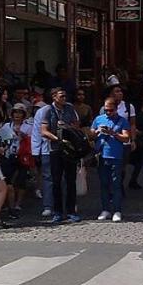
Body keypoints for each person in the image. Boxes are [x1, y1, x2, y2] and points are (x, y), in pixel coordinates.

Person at [40, 87, 84, 224]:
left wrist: (68, 129)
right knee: (56, 181)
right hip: (55, 150)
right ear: (54, 97)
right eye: (61, 96)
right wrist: (57, 138)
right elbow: (43, 131)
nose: (64, 98)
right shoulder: (48, 111)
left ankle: (71, 210)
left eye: (65, 96)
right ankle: (57, 211)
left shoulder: (70, 108)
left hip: (69, 149)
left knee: (71, 181)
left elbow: (77, 125)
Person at [90, 95, 130, 222]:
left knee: (116, 184)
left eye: (111, 110)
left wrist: (113, 133)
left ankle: (117, 210)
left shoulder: (122, 121)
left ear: (116, 108)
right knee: (103, 184)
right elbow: (90, 135)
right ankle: (105, 209)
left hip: (116, 156)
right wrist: (97, 131)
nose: (108, 112)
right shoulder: (99, 119)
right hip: (102, 155)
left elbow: (126, 138)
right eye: (106, 110)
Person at [0, 103, 30, 217]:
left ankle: (18, 203)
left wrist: (23, 137)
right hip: (9, 155)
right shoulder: (6, 126)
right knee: (8, 181)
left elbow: (31, 141)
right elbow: (2, 139)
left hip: (23, 156)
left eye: (20, 113)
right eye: (15, 112)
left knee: (21, 179)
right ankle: (9, 204)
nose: (17, 115)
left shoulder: (28, 127)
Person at [30, 98, 54, 217]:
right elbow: (36, 133)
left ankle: (69, 205)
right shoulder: (43, 111)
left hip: (65, 150)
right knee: (47, 178)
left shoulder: (69, 109)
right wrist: (35, 151)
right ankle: (48, 205)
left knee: (65, 178)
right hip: (46, 150)